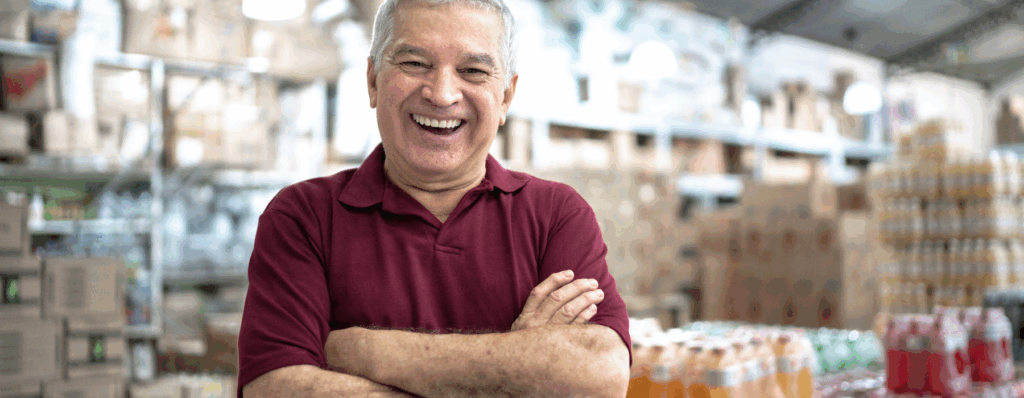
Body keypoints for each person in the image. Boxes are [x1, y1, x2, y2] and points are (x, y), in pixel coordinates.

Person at [237, 0, 631, 395]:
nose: (442, 95)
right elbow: (273, 388)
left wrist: (362, 350)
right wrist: (519, 370)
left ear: (506, 97)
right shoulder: (304, 216)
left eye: (473, 70)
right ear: (373, 81)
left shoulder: (556, 215)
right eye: (414, 63)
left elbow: (601, 374)